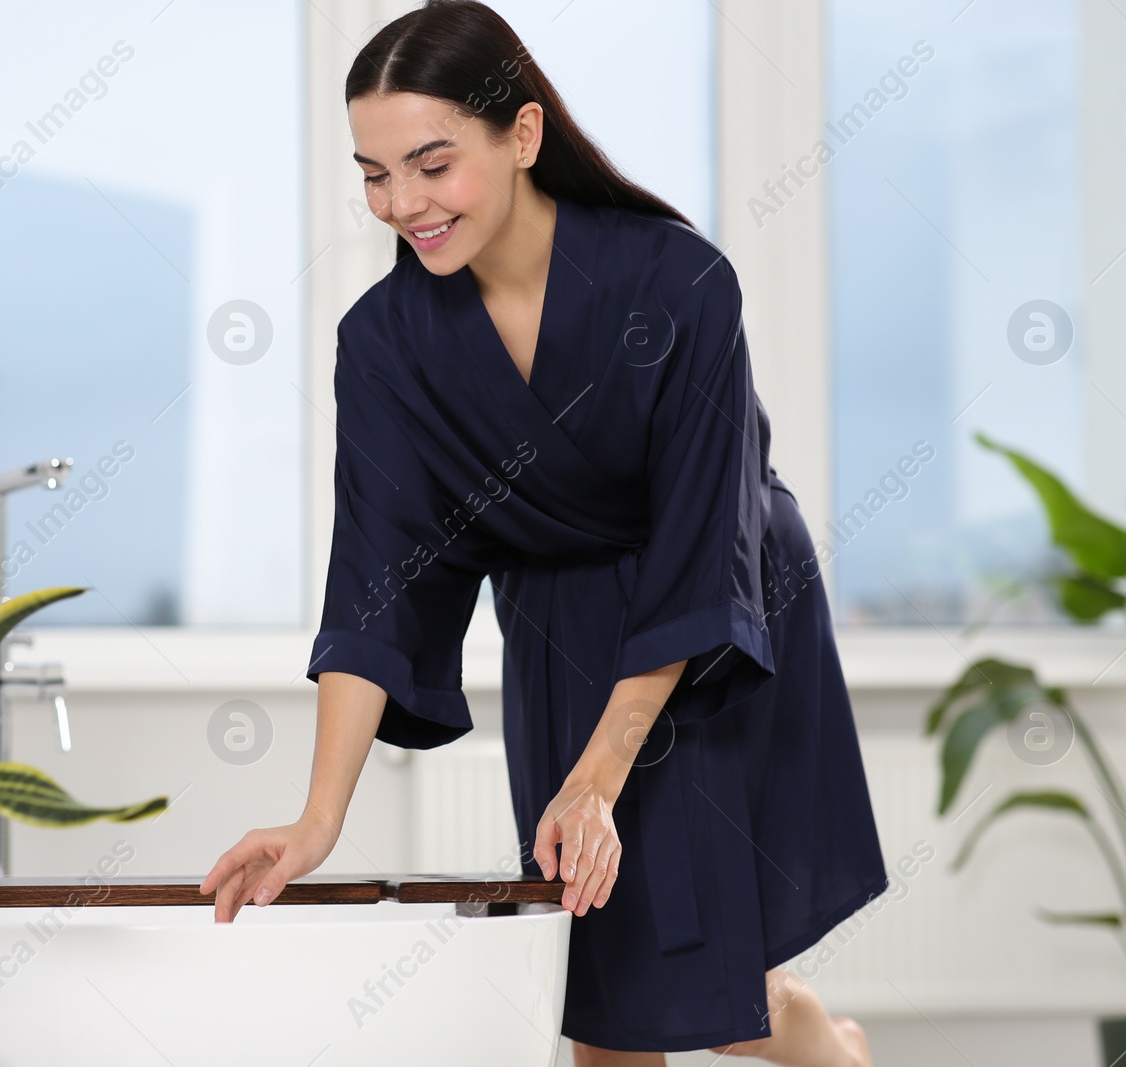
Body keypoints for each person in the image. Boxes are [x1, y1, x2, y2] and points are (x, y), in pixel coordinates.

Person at [200, 3, 889, 1063]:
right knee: (607, 982)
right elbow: (375, 580)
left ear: (521, 136)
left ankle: (818, 1040)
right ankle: (821, 1033)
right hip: (562, 627)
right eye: (375, 173)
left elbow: (703, 533)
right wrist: (317, 816)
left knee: (697, 972)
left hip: (722, 614)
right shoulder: (382, 342)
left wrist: (599, 773)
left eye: (432, 164)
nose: (402, 203)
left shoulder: (679, 281)